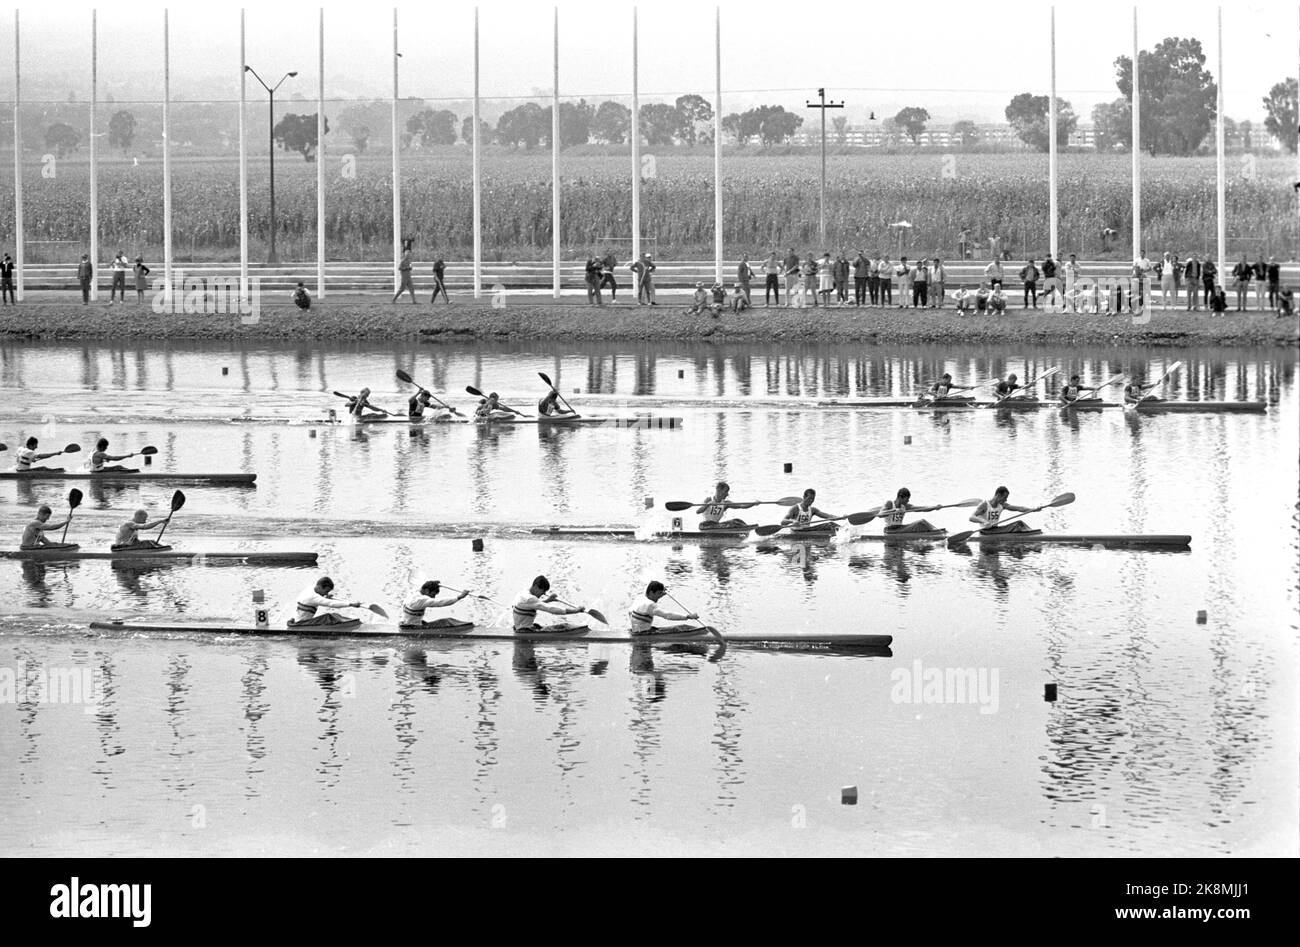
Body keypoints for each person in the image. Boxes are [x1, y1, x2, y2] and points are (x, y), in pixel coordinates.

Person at [512, 575, 586, 632]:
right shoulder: (530, 598)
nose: (544, 594)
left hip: (522, 628)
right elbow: (551, 609)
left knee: (561, 627)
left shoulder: (523, 592)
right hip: (524, 631)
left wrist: (548, 600)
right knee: (564, 627)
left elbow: (531, 605)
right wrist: (576, 610)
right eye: (543, 591)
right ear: (536, 587)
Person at [629, 581, 700, 635]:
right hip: (644, 634)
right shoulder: (650, 605)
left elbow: (630, 612)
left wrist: (635, 626)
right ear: (651, 592)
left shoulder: (640, 598)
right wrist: (688, 616)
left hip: (636, 632)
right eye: (659, 593)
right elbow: (668, 615)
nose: (660, 596)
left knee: (682, 627)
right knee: (682, 627)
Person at [400, 580, 472, 629]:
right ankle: (470, 628)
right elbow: (441, 602)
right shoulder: (421, 600)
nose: (433, 597)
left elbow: (422, 586)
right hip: (413, 627)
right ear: (427, 591)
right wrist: (459, 597)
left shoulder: (413, 592)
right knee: (447, 621)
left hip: (405, 623)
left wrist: (433, 583)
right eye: (433, 594)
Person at [293, 577, 363, 626]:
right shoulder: (313, 597)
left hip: (301, 620)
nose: (326, 594)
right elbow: (331, 604)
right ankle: (350, 624)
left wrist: (324, 596)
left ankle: (350, 622)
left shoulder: (311, 588)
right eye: (326, 591)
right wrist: (351, 604)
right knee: (329, 617)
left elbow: (318, 598)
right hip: (302, 623)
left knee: (333, 616)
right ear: (320, 587)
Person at [970, 486, 1035, 534]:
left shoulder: (1002, 505)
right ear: (998, 495)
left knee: (1019, 523)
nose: (1006, 500)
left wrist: (1033, 509)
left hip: (995, 530)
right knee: (1017, 524)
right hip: (985, 531)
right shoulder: (985, 505)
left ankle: (1031, 533)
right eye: (1004, 498)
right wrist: (983, 521)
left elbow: (1019, 508)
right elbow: (972, 517)